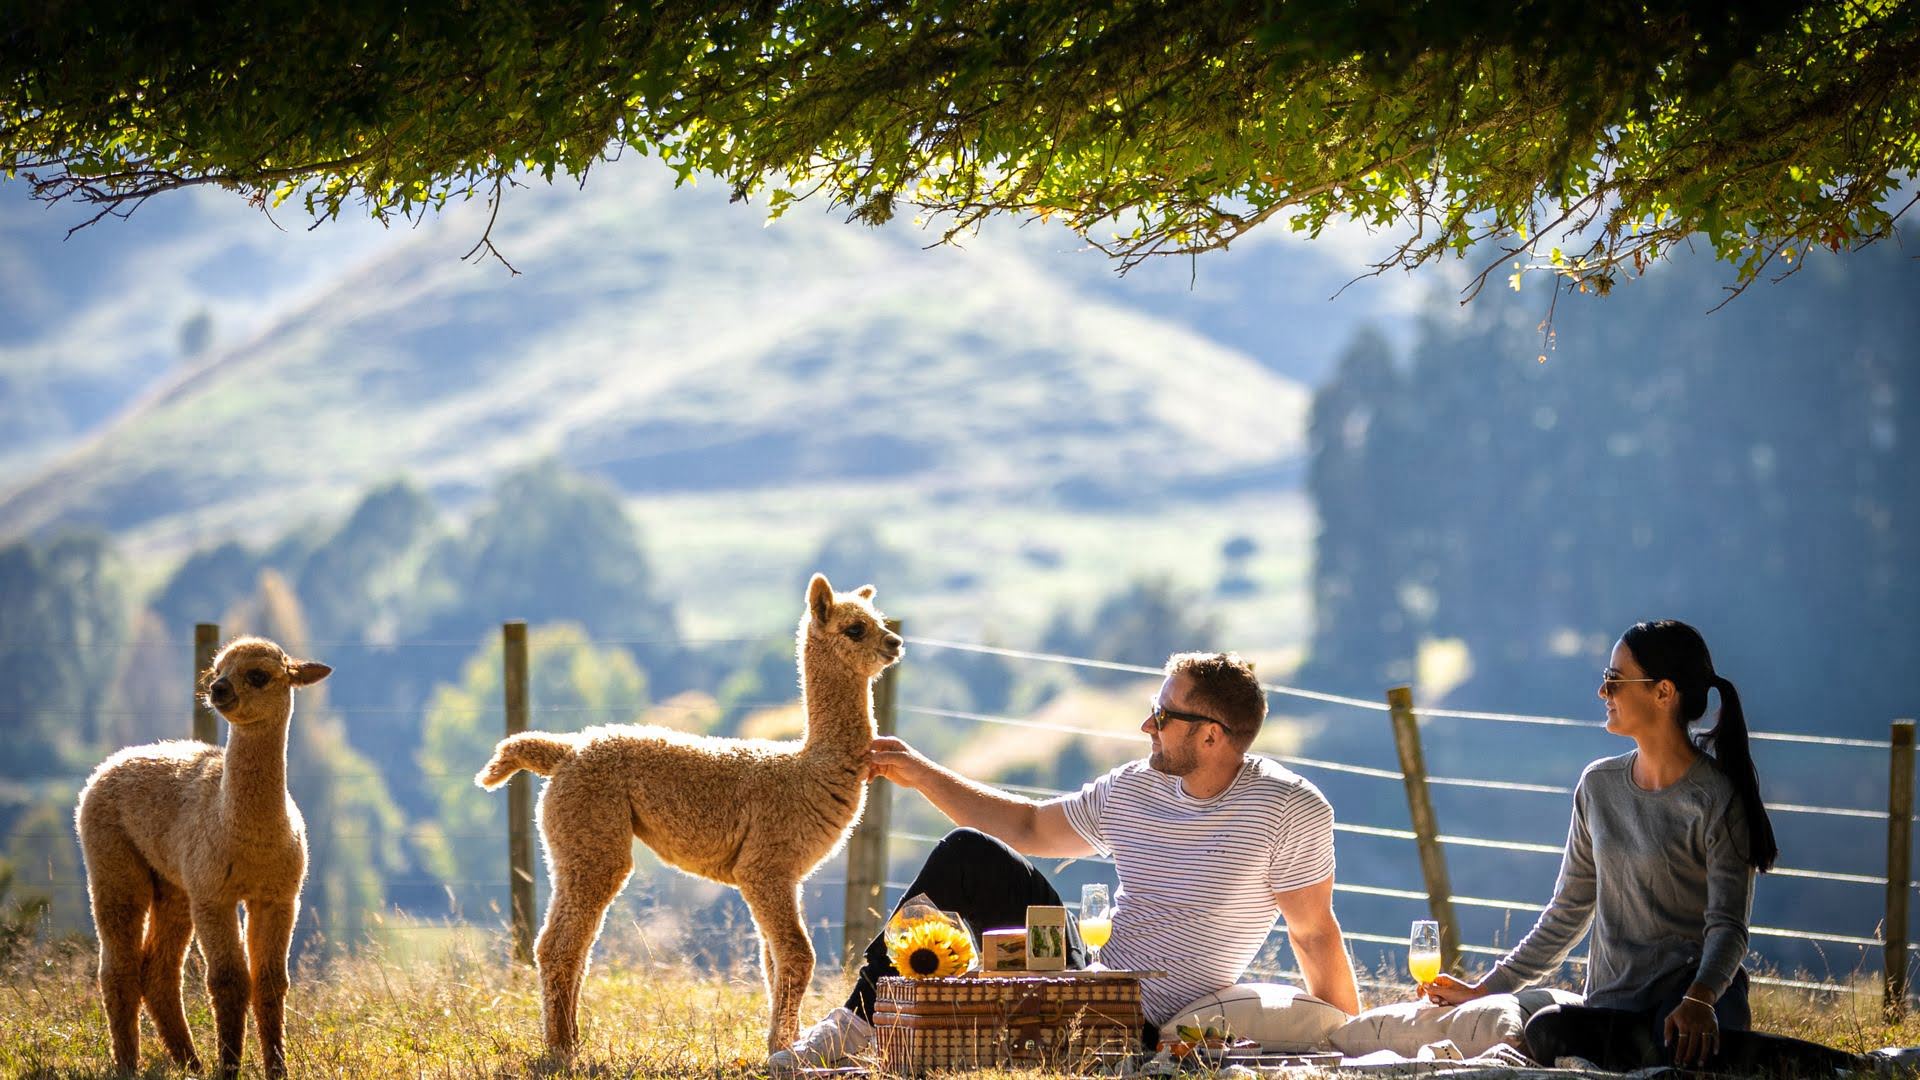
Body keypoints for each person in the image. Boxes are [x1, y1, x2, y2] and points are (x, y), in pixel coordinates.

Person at [770, 651, 1362, 1069]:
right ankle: (852, 1027)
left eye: (1163, 714)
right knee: (967, 855)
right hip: (1084, 975)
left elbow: (1313, 934)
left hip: (1139, 1022)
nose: (1146, 725)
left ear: (1211, 735)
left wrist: (1357, 1042)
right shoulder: (1133, 787)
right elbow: (1028, 826)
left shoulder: (1288, 808)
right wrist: (923, 774)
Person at [1422, 620, 1862, 1073]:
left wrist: (1700, 998)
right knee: (1545, 1030)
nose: (1602, 692)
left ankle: (1820, 1066)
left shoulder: (1716, 796)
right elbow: (1568, 911)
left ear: (1663, 692)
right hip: (1617, 1009)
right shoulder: (1597, 786)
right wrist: (1486, 988)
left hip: (1693, 1005)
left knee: (1672, 1039)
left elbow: (1728, 927)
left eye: (1613, 679)